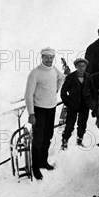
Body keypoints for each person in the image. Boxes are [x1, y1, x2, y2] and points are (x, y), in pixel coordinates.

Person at [24, 47, 64, 180]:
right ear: (42, 58)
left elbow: (61, 77)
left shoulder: (53, 70)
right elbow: (28, 95)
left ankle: (43, 161)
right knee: (38, 139)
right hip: (39, 110)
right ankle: (35, 167)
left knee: (48, 136)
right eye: (46, 57)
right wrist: (31, 113)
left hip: (51, 109)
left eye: (51, 57)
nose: (49, 60)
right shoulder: (35, 73)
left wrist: (56, 90)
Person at [60, 58, 90, 149]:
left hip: (84, 106)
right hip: (72, 106)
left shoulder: (89, 77)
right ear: (76, 67)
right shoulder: (70, 77)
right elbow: (63, 93)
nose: (81, 68)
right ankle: (65, 141)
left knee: (82, 124)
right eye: (79, 66)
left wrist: (91, 102)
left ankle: (79, 140)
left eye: (83, 66)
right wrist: (68, 103)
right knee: (70, 125)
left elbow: (93, 91)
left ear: (86, 67)